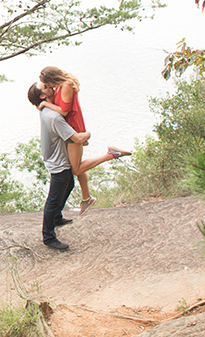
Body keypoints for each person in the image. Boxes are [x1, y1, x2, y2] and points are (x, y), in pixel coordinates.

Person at [38, 66, 130, 215]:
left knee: (76, 169)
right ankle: (86, 198)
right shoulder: (59, 87)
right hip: (69, 130)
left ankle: (111, 154)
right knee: (77, 164)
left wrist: (44, 104)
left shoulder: (66, 85)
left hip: (73, 129)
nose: (48, 87)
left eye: (48, 84)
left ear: (53, 79)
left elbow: (64, 111)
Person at [28, 81, 88, 250]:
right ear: (42, 96)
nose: (51, 87)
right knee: (53, 200)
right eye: (46, 87)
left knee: (69, 184)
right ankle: (48, 237)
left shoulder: (47, 109)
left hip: (58, 158)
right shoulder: (53, 116)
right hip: (58, 162)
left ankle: (56, 218)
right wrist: (87, 134)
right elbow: (76, 138)